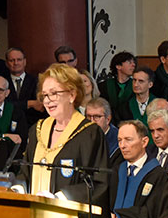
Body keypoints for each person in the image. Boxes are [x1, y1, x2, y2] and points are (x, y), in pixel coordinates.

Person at [14, 63, 109, 210]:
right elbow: (25, 173)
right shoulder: (37, 130)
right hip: (34, 215)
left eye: (54, 93)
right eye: (44, 95)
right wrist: (18, 190)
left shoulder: (89, 133)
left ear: (72, 95)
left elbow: (97, 182)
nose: (47, 100)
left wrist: (59, 199)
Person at [109, 119, 168, 218]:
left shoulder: (158, 175)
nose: (122, 146)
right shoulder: (116, 171)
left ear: (144, 142)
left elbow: (151, 214)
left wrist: (120, 215)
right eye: (119, 140)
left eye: (128, 140)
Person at [5, 48, 41, 122]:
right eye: (12, 60)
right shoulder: (1, 82)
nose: (16, 63)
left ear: (24, 61)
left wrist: (16, 105)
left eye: (19, 60)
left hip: (31, 124)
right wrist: (29, 103)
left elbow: (39, 106)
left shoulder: (36, 81)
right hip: (7, 124)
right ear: (6, 63)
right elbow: (3, 105)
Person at [97, 51, 135, 116]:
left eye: (134, 62)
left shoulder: (135, 85)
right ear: (118, 66)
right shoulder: (104, 86)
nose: (133, 65)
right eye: (129, 62)